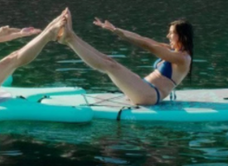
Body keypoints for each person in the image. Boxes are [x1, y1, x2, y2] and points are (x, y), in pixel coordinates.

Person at [58, 9, 193, 105]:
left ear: (183, 36)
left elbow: (151, 47)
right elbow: (141, 38)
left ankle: (70, 39)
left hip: (150, 95)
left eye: (171, 34)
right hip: (144, 88)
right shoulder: (172, 50)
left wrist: (120, 33)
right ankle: (72, 37)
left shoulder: (183, 59)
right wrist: (116, 30)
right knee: (109, 60)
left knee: (111, 66)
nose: (168, 36)